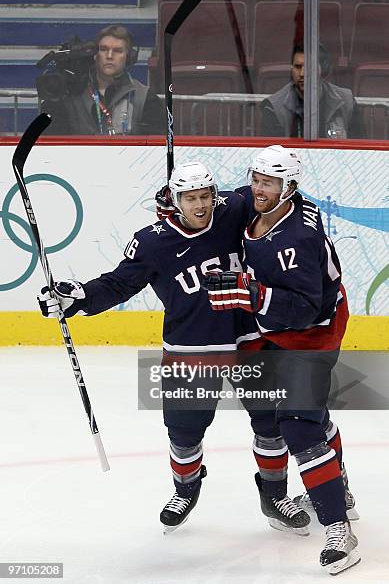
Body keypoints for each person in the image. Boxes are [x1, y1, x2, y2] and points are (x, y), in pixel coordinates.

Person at [37, 161, 310, 535]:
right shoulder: (152, 242)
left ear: (216, 196)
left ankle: (275, 494)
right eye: (190, 198)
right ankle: (186, 489)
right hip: (190, 349)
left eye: (205, 197)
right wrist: (79, 297)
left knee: (270, 423)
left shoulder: (234, 210)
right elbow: (118, 284)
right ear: (175, 200)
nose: (200, 206)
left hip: (251, 340)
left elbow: (273, 193)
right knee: (184, 432)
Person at [203, 145, 361, 575]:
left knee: (298, 426)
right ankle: (338, 489)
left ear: (288, 188)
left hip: (312, 332)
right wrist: (176, 206)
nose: (257, 189)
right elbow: (225, 202)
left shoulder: (297, 239)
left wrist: (252, 294)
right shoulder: (263, 206)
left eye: (267, 183)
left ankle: (339, 529)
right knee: (305, 415)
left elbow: (307, 309)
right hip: (275, 330)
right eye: (255, 179)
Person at [38, 24, 164, 135]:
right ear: (94, 54)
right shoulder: (69, 93)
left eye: (117, 51)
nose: (109, 56)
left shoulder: (145, 97)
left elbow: (156, 148)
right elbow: (51, 141)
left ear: (129, 57)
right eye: (103, 49)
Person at [260, 44, 365, 139]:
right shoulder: (274, 107)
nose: (302, 74)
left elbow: (360, 148)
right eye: (297, 67)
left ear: (322, 69)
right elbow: (272, 154)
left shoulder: (347, 102)